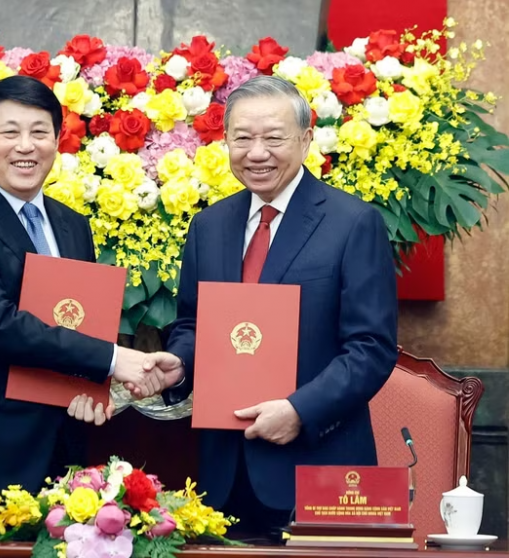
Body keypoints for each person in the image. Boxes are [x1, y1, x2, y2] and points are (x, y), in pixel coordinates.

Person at [73, 76, 398, 541]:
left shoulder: (353, 223)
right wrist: (179, 364)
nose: (256, 153)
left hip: (319, 470)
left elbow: (371, 348)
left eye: (273, 138)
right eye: (242, 138)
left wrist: (300, 411)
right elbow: (194, 322)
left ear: (306, 139)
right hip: (224, 472)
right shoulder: (209, 226)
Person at [0, 75, 160, 531]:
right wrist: (112, 359)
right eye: (11, 132)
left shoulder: (73, 225)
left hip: (59, 462)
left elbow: (77, 322)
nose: (26, 146)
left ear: (57, 141)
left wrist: (89, 390)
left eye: (39, 132)